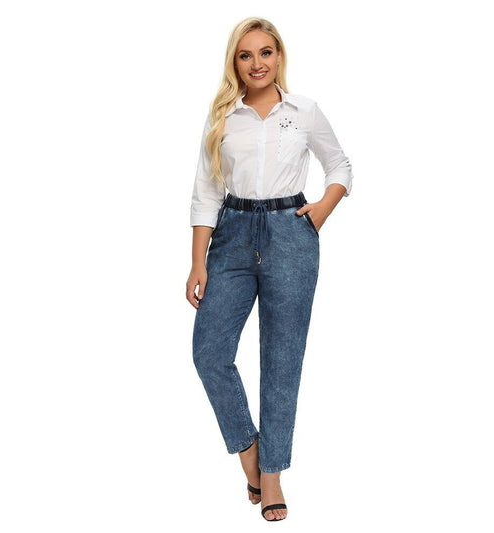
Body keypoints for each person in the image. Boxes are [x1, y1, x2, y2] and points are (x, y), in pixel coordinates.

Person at [185, 17, 354, 522]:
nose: (256, 63)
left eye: (265, 52)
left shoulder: (303, 111)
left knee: (282, 359)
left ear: (278, 56)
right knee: (209, 352)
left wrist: (323, 208)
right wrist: (197, 262)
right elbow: (206, 192)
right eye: (245, 55)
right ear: (234, 63)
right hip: (232, 235)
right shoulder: (223, 117)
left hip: (289, 234)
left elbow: (340, 164)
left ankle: (273, 474)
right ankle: (251, 452)